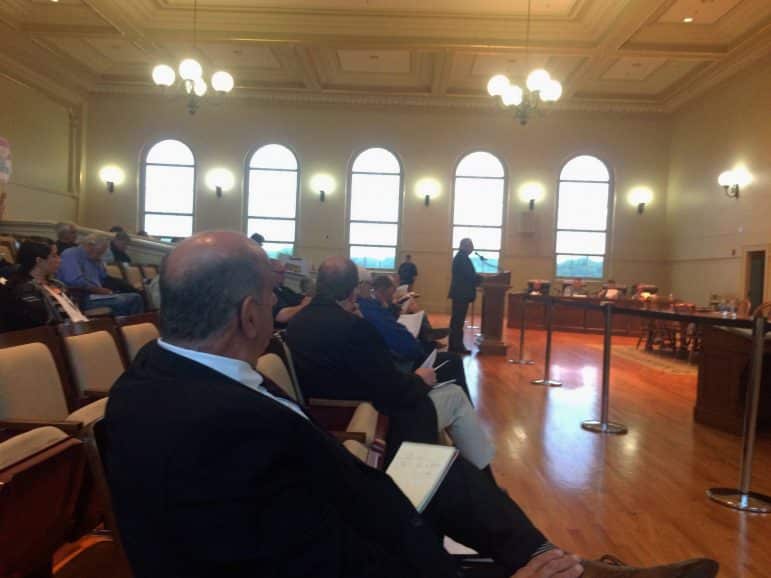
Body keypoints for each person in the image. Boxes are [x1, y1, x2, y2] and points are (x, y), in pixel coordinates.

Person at [103, 231, 718, 578]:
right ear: (248, 314)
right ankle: (568, 573)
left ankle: (557, 562)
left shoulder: (154, 379)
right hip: (380, 549)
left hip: (364, 500)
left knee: (436, 470)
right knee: (430, 461)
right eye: (271, 295)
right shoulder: (217, 426)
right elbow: (317, 558)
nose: (278, 305)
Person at [288, 257, 494, 469]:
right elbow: (390, 388)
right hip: (380, 420)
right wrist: (419, 380)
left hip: (326, 416)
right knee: (455, 397)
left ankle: (465, 475)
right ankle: (484, 480)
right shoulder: (355, 327)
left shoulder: (296, 323)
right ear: (353, 291)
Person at [360, 274, 471, 400]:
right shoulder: (370, 308)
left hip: (389, 361)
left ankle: (430, 338)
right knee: (452, 360)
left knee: (429, 344)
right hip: (397, 367)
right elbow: (403, 343)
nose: (371, 290)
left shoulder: (364, 307)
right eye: (369, 287)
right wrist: (418, 348)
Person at [2, 239, 88, 331]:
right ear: (39, 261)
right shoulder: (24, 289)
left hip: (75, 331)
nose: (59, 260)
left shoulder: (58, 284)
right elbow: (42, 323)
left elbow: (77, 312)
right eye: (54, 256)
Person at [57, 234, 144, 317]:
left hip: (97, 295)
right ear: (89, 245)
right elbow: (74, 281)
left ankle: (125, 327)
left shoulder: (95, 258)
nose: (100, 256)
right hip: (80, 297)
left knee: (134, 296)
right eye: (99, 252)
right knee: (130, 299)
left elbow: (104, 278)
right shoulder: (70, 254)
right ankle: (124, 328)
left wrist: (125, 286)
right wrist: (99, 290)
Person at [448, 238, 482, 354]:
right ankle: (456, 347)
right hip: (460, 294)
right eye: (470, 245)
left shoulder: (462, 257)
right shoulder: (461, 258)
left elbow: (469, 275)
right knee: (457, 322)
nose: (472, 248)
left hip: (460, 294)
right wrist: (482, 279)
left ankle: (455, 346)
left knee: (457, 322)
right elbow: (468, 276)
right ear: (464, 246)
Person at [270, 259, 310, 329]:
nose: (284, 275)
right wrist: (302, 306)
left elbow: (303, 298)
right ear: (269, 273)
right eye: (280, 272)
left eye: (284, 272)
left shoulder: (284, 289)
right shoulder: (268, 293)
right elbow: (281, 316)